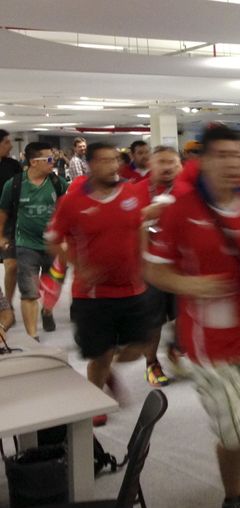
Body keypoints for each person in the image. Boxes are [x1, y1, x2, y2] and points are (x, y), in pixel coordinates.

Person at [144, 125, 240, 508]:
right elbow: (155, 271)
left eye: (239, 156)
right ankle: (234, 497)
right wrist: (191, 284)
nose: (234, 164)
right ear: (204, 162)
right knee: (234, 433)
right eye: (224, 157)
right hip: (208, 344)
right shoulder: (181, 211)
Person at [46, 142, 154, 426]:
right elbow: (53, 240)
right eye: (104, 161)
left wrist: (142, 260)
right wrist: (79, 266)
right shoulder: (72, 201)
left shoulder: (131, 193)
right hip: (93, 294)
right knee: (99, 353)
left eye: (114, 160)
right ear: (91, 165)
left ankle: (109, 370)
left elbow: (140, 225)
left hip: (132, 287)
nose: (111, 166)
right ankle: (96, 400)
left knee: (140, 346)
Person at [135, 146, 193, 387]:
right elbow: (125, 226)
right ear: (150, 164)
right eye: (162, 162)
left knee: (186, 317)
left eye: (173, 162)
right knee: (153, 320)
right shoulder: (135, 191)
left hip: (184, 266)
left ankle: (175, 348)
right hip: (150, 268)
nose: (168, 167)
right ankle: (152, 363)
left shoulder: (189, 192)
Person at [0, 142, 66, 339]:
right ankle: (33, 335)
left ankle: (47, 311)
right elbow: (2, 213)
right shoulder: (14, 185)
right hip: (26, 244)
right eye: (48, 159)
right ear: (33, 162)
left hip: (53, 245)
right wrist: (1, 235)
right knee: (29, 291)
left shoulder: (57, 183)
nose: (52, 162)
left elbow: (65, 211)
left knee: (53, 284)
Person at [0, 130, 22, 317]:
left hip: (9, 222)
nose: (10, 145)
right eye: (7, 142)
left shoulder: (13, 165)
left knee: (11, 265)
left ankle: (7, 306)